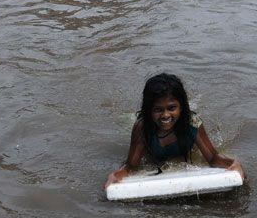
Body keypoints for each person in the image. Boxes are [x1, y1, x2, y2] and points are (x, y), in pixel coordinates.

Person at [104, 73, 246, 189]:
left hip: (183, 138)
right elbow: (131, 166)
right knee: (123, 119)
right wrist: (116, 175)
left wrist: (233, 164)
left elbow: (213, 158)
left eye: (172, 108)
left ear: (182, 107)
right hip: (147, 134)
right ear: (149, 111)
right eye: (158, 110)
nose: (165, 115)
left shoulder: (193, 123)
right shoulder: (142, 128)